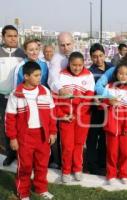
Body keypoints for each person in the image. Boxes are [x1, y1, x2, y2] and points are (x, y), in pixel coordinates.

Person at [5, 61, 56, 200]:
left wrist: (52, 132)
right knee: (25, 166)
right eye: (36, 75)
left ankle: (41, 189)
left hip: (42, 135)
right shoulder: (16, 94)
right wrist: (12, 137)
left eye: (40, 75)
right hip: (25, 137)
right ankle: (23, 193)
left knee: (42, 164)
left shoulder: (45, 91)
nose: (39, 78)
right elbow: (9, 119)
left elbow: (52, 114)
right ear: (26, 76)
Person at [54, 52, 95, 183]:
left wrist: (77, 105)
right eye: (74, 65)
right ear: (69, 64)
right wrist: (62, 115)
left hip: (82, 117)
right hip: (66, 117)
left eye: (79, 65)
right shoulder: (61, 75)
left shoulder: (88, 75)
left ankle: (77, 169)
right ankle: (66, 170)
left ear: (84, 64)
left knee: (79, 144)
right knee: (67, 145)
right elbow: (55, 98)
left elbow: (89, 97)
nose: (77, 68)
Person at [103, 63, 127, 185]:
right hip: (112, 123)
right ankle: (111, 174)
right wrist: (109, 101)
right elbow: (101, 102)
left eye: (126, 74)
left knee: (124, 150)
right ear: (116, 74)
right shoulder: (109, 87)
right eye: (121, 73)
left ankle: (123, 173)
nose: (123, 76)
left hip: (126, 123)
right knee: (112, 151)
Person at [47, 32, 74, 169]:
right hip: (60, 100)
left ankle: (73, 163)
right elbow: (52, 80)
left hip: (74, 101)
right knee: (59, 132)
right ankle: (58, 162)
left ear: (73, 43)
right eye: (62, 45)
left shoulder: (77, 55)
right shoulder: (56, 59)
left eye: (68, 44)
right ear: (58, 45)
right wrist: (61, 90)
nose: (65, 47)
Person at [0, 25, 26, 166]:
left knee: (20, 126)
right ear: (3, 37)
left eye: (15, 36)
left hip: (18, 97)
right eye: (9, 36)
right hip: (2, 97)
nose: (13, 38)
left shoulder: (22, 53)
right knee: (6, 126)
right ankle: (10, 154)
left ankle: (21, 154)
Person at [86, 43, 113, 174]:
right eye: (95, 57)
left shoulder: (112, 68)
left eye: (101, 55)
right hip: (94, 109)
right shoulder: (89, 72)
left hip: (108, 109)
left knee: (104, 137)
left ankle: (102, 163)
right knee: (92, 137)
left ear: (105, 54)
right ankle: (91, 164)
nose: (98, 59)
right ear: (91, 57)